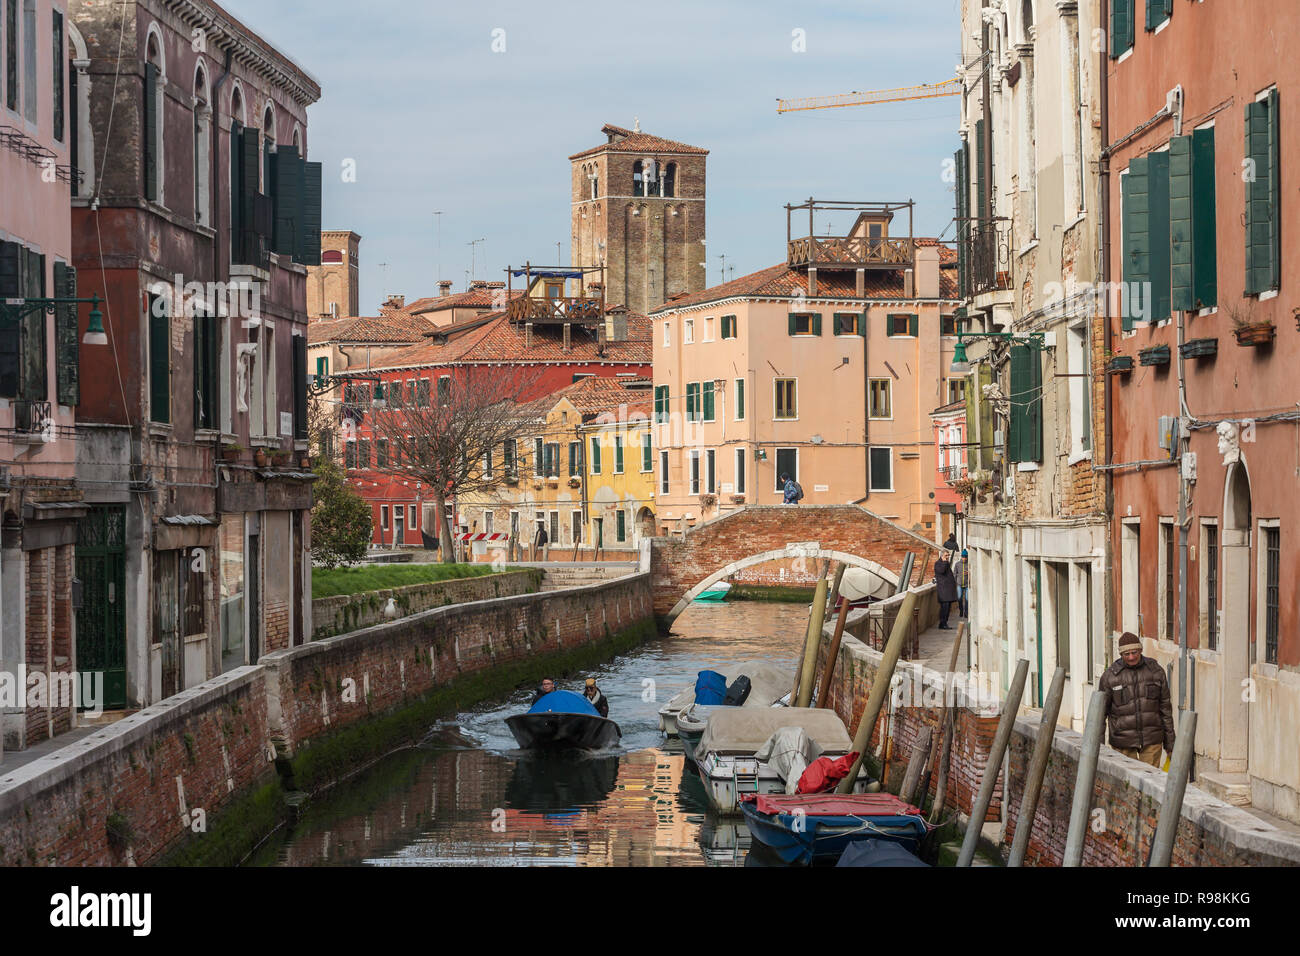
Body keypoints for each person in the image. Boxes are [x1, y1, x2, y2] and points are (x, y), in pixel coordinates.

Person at [1099, 632, 1175, 768]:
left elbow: (1165, 709)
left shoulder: (1156, 672)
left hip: (1152, 738)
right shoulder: (1110, 676)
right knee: (1126, 782)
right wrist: (1099, 747)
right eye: (1126, 654)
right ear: (1120, 655)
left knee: (1151, 780)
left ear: (1140, 650)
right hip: (1122, 741)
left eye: (1134, 652)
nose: (1131, 657)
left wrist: (1170, 744)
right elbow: (1100, 714)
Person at [933, 553, 958, 629]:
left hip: (947, 590)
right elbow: (941, 571)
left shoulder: (946, 563)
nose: (947, 557)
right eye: (946, 555)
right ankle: (943, 624)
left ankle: (944, 623)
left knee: (947, 608)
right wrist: (944, 562)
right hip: (943, 591)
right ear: (941, 556)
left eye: (948, 555)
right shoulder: (938, 563)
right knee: (944, 608)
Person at [953, 549, 970, 618]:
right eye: (963, 557)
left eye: (966, 557)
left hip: (967, 585)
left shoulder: (969, 564)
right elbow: (954, 574)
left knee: (967, 599)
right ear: (961, 557)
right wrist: (954, 583)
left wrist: (968, 573)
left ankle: (966, 612)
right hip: (959, 584)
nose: (964, 558)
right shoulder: (957, 564)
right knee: (959, 598)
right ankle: (961, 610)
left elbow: (973, 572)